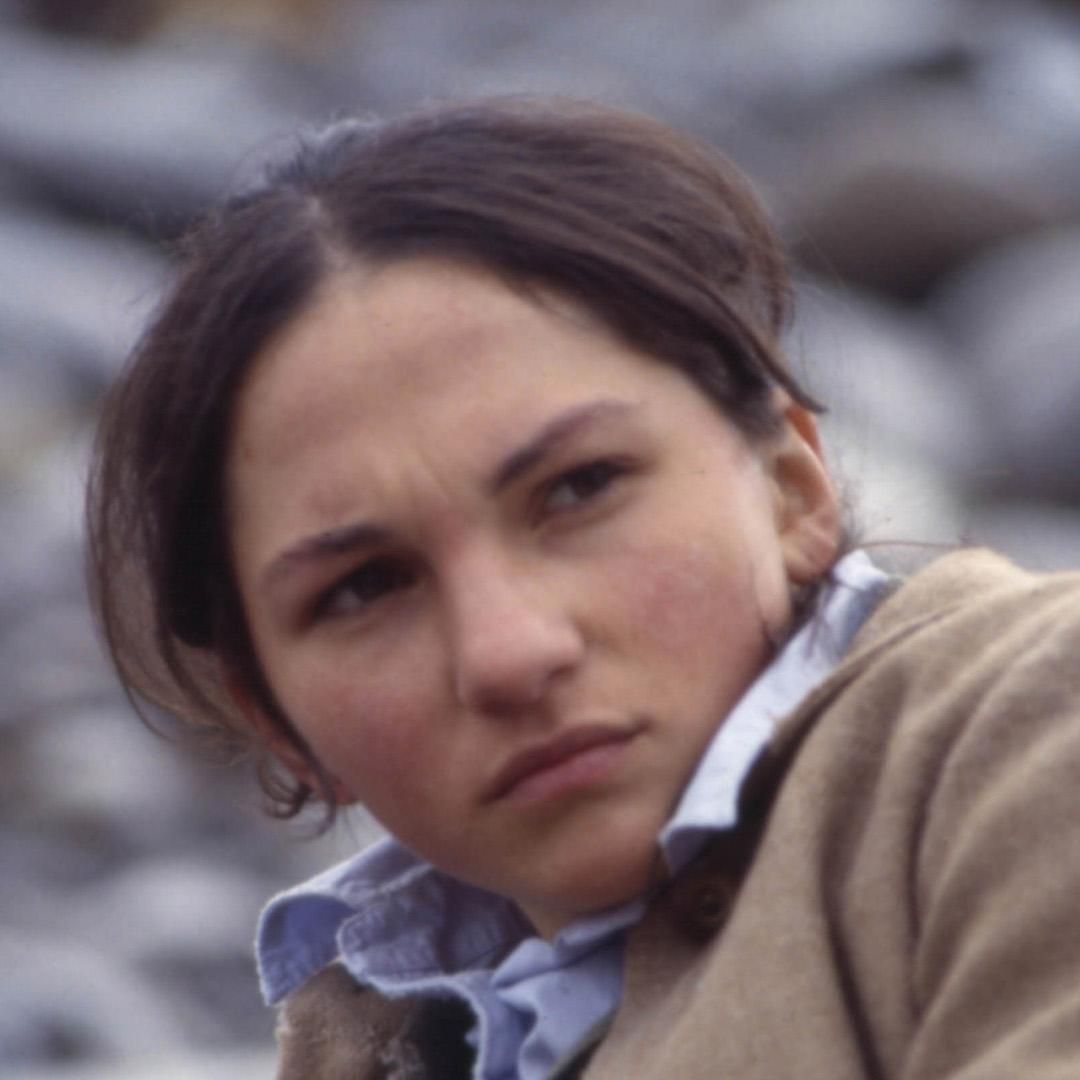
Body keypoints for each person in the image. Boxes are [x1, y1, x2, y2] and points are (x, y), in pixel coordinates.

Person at [86, 97, 1080, 1079]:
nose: (509, 653)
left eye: (579, 488)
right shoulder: (371, 1040)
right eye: (364, 588)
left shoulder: (1026, 728)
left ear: (790, 488)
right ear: (276, 720)